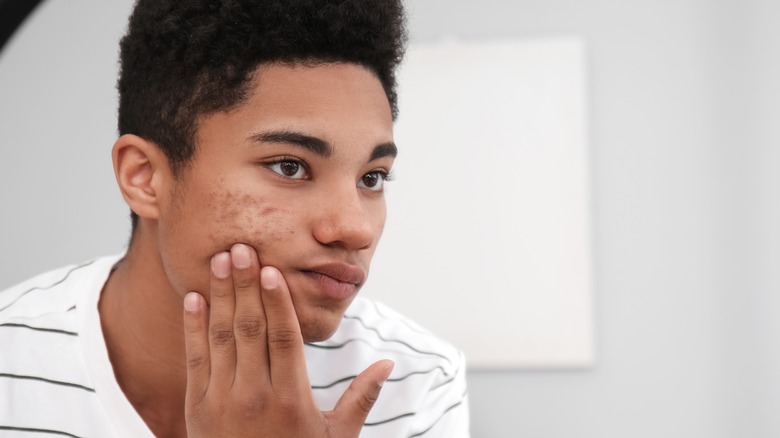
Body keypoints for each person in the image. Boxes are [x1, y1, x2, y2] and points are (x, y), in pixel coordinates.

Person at [0, 0, 469, 437]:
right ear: (144, 178)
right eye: (290, 166)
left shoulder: (415, 381)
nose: (355, 229)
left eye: (372, 178)